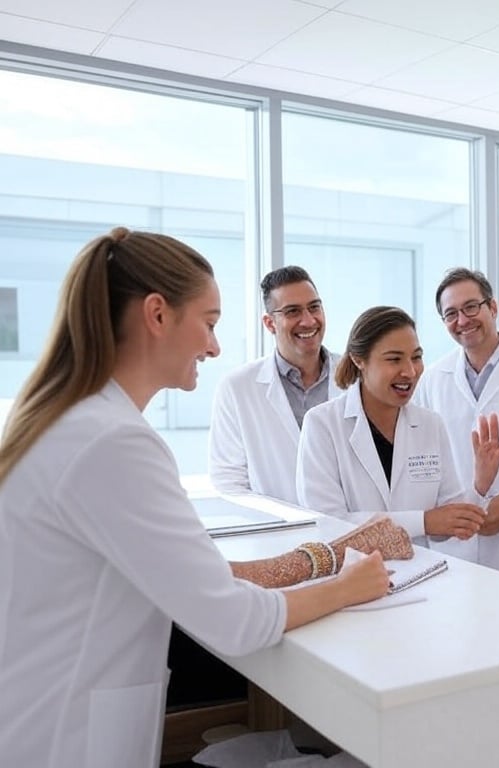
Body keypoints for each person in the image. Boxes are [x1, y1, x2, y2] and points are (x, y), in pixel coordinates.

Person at [0, 229, 389, 768]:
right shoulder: (114, 441)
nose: (214, 346)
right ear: (157, 315)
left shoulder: (67, 419)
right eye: (208, 323)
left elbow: (144, 565)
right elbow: (234, 622)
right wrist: (346, 588)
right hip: (65, 734)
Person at [296, 306, 492, 546]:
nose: (410, 371)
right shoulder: (323, 424)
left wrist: (480, 485)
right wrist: (423, 521)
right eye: (394, 359)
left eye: (416, 357)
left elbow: (445, 524)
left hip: (421, 574)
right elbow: (329, 524)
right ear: (359, 360)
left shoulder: (431, 425)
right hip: (352, 577)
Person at [415, 267, 499, 581]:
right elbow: (422, 462)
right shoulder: (433, 379)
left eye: (471, 307)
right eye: (451, 314)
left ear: (493, 307)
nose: (462, 320)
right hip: (455, 546)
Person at [209, 266, 340, 504]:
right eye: (293, 311)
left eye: (314, 307)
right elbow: (228, 481)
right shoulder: (237, 387)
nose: (308, 320)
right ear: (270, 323)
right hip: (277, 534)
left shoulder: (357, 377)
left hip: (350, 530)